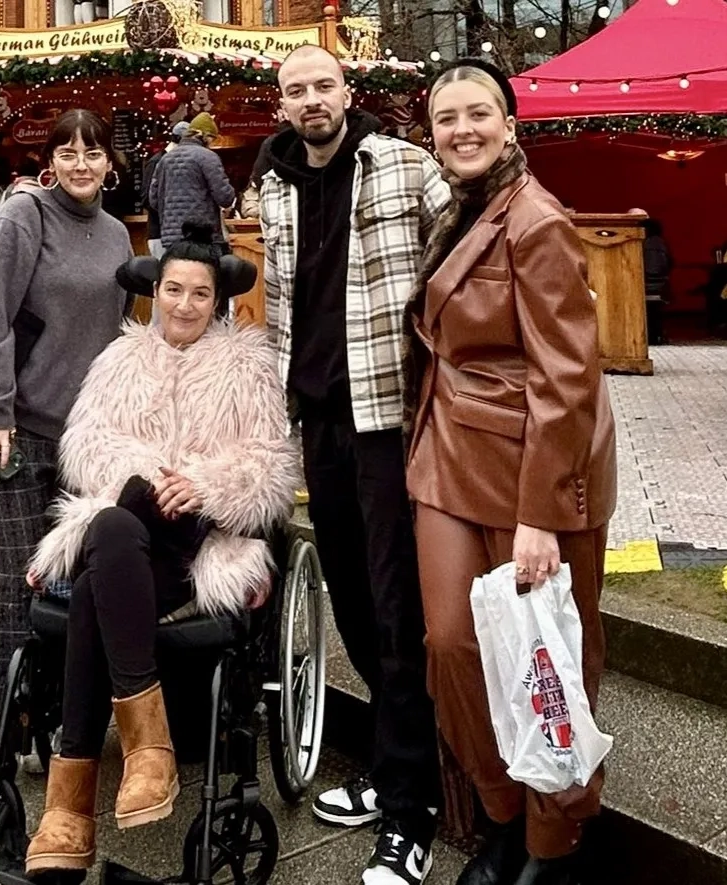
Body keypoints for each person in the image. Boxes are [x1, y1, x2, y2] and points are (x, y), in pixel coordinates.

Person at [23, 225, 300, 876]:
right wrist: (148, 476)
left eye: (198, 293)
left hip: (198, 542)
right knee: (111, 534)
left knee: (99, 566)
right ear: (154, 292)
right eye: (172, 289)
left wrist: (199, 485)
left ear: (217, 300)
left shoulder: (247, 365)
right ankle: (148, 748)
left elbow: (269, 466)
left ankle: (70, 805)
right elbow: (85, 448)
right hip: (128, 530)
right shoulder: (119, 360)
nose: (183, 304)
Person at [403, 60, 617, 885]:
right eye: (446, 117)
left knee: (548, 661)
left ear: (509, 122)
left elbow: (568, 377)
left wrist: (541, 515)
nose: (461, 129)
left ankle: (551, 839)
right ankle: (498, 810)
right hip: (446, 456)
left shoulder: (536, 219)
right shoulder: (460, 210)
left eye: (478, 114)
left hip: (530, 468)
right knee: (452, 644)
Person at [261, 44, 451, 885]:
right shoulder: (271, 185)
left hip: (386, 418)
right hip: (318, 421)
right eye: (295, 89)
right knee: (349, 594)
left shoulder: (406, 166)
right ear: (282, 105)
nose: (311, 100)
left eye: (321, 85)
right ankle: (394, 761)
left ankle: (412, 812)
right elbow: (279, 303)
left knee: (393, 599)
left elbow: (473, 247)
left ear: (348, 91)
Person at [0, 109, 134, 772]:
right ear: (51, 160)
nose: (81, 163)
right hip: (16, 430)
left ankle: (52, 711)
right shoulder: (23, 216)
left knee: (68, 584)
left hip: (83, 439)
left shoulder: (117, 235)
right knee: (13, 581)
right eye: (69, 151)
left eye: (92, 152)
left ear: (109, 163)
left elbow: (115, 332)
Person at [149, 112, 235, 252]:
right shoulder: (208, 157)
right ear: (203, 135)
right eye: (211, 138)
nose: (211, 143)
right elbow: (225, 197)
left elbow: (153, 200)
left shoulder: (165, 159)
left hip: (171, 238)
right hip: (203, 236)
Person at [143, 120, 190, 259]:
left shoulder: (178, 162)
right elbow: (146, 198)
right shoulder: (156, 162)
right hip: (159, 233)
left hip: (176, 234)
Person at [641, 218, 671, 345]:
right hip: (660, 283)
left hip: (648, 283)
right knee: (655, 310)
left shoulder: (648, 244)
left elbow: (651, 268)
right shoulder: (662, 243)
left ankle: (650, 336)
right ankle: (655, 334)